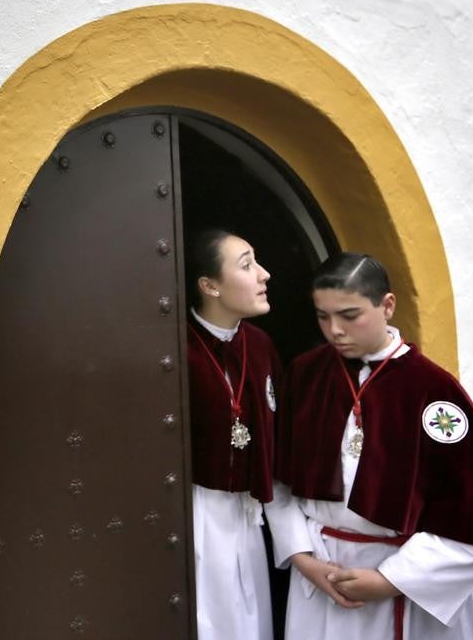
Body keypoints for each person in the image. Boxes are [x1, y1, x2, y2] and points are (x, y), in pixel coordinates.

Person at [264, 252, 473, 639]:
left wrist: (389, 580)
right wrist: (302, 556)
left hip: (405, 585)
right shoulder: (305, 376)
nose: (335, 331)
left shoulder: (432, 390)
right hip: (320, 577)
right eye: (322, 316)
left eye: (349, 315)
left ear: (387, 305)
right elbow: (278, 482)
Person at [186, 228, 280, 640]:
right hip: (197, 512)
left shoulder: (260, 346)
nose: (264, 274)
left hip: (248, 512)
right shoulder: (176, 348)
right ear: (210, 286)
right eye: (246, 265)